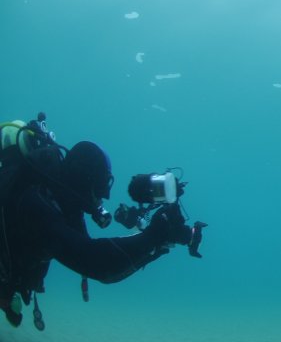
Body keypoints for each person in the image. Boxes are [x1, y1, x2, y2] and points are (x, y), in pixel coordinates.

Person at [0, 116, 192, 330]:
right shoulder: (35, 203)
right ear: (84, 178)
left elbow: (99, 261)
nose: (105, 196)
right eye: (101, 185)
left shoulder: (63, 207)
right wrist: (154, 236)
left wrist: (158, 240)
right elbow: (97, 262)